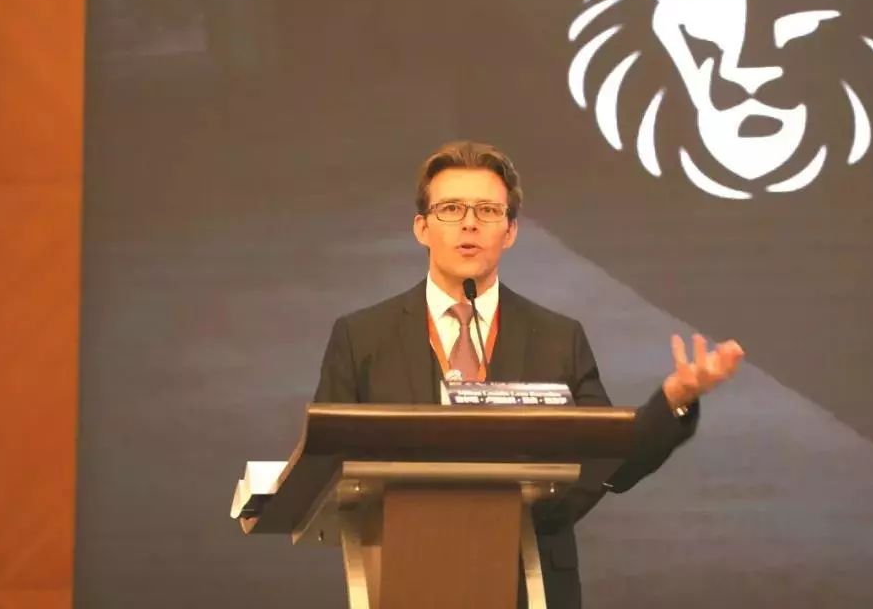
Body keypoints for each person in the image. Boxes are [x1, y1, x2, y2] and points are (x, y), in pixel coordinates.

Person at [314, 140, 744, 608]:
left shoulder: (558, 338)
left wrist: (674, 399)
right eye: (451, 209)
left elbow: (611, 462)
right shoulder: (362, 337)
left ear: (511, 231)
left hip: (532, 582)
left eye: (487, 210)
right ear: (422, 227)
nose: (469, 223)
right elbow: (325, 469)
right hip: (402, 577)